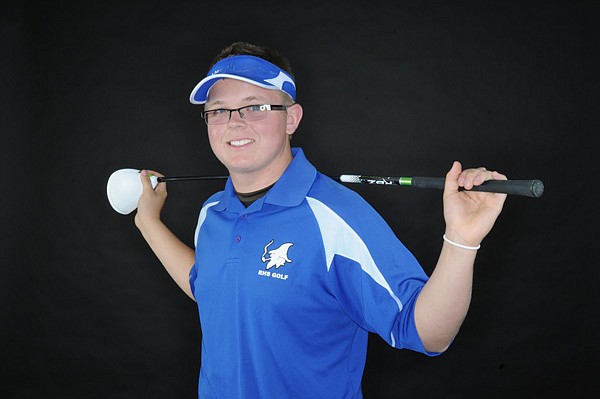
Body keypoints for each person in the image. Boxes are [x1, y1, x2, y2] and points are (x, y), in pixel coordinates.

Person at [134, 42, 507, 398]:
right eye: (218, 110)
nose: (234, 122)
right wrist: (149, 222)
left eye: (255, 107)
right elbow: (209, 286)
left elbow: (428, 333)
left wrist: (461, 238)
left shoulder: (336, 218)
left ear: (291, 118)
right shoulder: (211, 213)